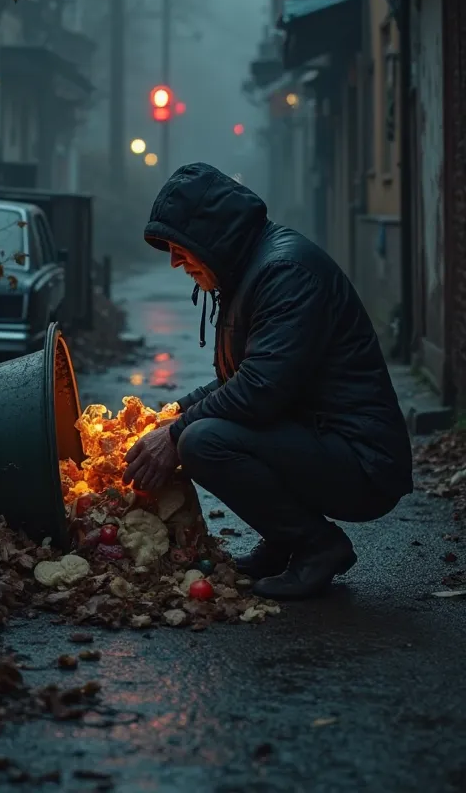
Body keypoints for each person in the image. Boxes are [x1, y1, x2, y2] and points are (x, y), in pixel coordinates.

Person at [123, 163, 412, 600]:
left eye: (180, 246)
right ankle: (284, 543)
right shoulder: (248, 270)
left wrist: (177, 431)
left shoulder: (285, 273)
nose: (174, 261)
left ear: (212, 234)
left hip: (362, 460)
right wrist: (169, 414)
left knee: (202, 442)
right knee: (193, 429)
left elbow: (260, 390)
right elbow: (239, 381)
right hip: (320, 438)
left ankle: (318, 547)